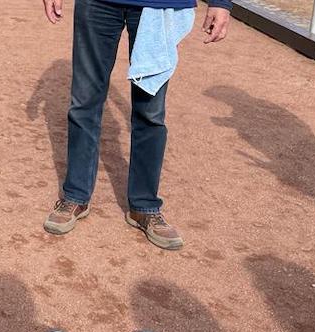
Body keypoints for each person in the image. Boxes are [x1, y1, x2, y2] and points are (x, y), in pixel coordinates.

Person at [40, 0, 231, 249]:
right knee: (84, 102)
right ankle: (75, 195)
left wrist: (221, 3)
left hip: (158, 5)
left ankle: (144, 206)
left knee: (150, 112)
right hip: (97, 3)